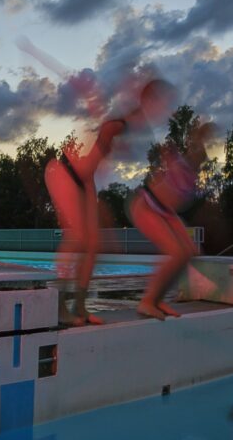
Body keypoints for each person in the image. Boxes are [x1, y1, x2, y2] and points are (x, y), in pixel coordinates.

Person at [46, 79, 175, 326]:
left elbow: (90, 169)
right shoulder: (122, 123)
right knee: (78, 238)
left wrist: (98, 209)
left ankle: (80, 307)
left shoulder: (126, 125)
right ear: (150, 102)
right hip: (62, 172)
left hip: (83, 180)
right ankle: (60, 304)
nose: (163, 112)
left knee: (94, 243)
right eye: (162, 104)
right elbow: (108, 130)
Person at [129, 120, 215, 320]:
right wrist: (199, 134)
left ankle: (158, 299)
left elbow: (193, 152)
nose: (200, 160)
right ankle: (147, 302)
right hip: (147, 206)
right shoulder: (182, 164)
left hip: (166, 212)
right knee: (177, 253)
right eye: (198, 157)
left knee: (190, 251)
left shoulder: (190, 173)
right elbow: (193, 145)